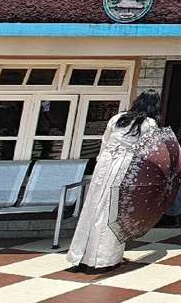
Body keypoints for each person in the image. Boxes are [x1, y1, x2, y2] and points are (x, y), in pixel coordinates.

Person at [67, 90, 163, 270]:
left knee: (93, 207)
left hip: (104, 165)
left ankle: (82, 255)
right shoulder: (149, 124)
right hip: (124, 166)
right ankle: (105, 259)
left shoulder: (118, 118)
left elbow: (105, 144)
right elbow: (149, 152)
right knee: (114, 212)